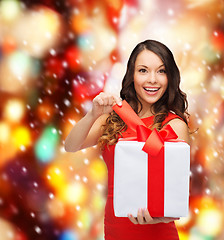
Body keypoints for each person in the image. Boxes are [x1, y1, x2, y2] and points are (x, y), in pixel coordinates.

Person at [65, 39, 190, 240]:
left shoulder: (174, 126)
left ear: (170, 77)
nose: (152, 80)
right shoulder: (114, 117)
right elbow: (71, 146)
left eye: (161, 71)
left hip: (158, 233)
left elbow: (177, 195)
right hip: (116, 230)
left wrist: (161, 218)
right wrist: (93, 114)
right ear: (132, 75)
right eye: (143, 70)